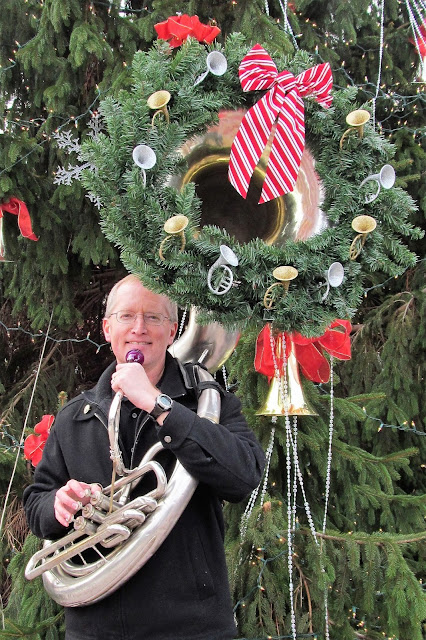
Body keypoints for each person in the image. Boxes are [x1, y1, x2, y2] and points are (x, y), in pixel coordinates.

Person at [23, 274, 266, 640]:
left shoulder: (208, 403)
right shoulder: (74, 416)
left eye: (153, 317)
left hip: (191, 627)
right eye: (126, 316)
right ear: (107, 329)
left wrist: (158, 404)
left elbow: (244, 475)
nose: (139, 328)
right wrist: (58, 505)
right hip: (95, 628)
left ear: (171, 331)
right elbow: (36, 501)